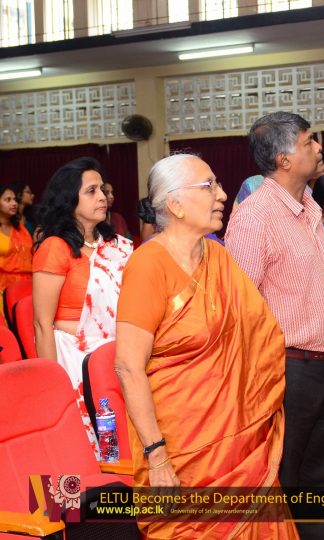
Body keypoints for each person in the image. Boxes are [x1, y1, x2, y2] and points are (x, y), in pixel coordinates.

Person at [114, 154, 296, 539]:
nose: (222, 194)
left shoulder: (219, 257)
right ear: (175, 205)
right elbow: (128, 366)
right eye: (209, 185)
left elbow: (259, 336)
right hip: (181, 446)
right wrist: (157, 455)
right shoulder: (148, 265)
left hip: (240, 440)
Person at [226, 112, 324, 540]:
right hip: (286, 369)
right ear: (283, 159)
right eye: (309, 142)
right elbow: (239, 311)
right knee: (286, 474)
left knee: (322, 474)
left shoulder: (309, 206)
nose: (318, 148)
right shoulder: (254, 218)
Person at [32, 157, 133, 457]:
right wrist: (52, 387)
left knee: (122, 443)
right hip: (74, 361)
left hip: (119, 355)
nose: (103, 197)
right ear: (69, 199)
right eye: (91, 191)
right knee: (88, 450)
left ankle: (121, 485)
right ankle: (85, 489)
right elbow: (42, 323)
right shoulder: (55, 247)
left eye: (102, 189)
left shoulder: (116, 246)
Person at [0, 183, 33, 294]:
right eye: (8, 200)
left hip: (25, 286)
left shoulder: (21, 229)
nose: (14, 203)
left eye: (15, 200)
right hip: (3, 288)